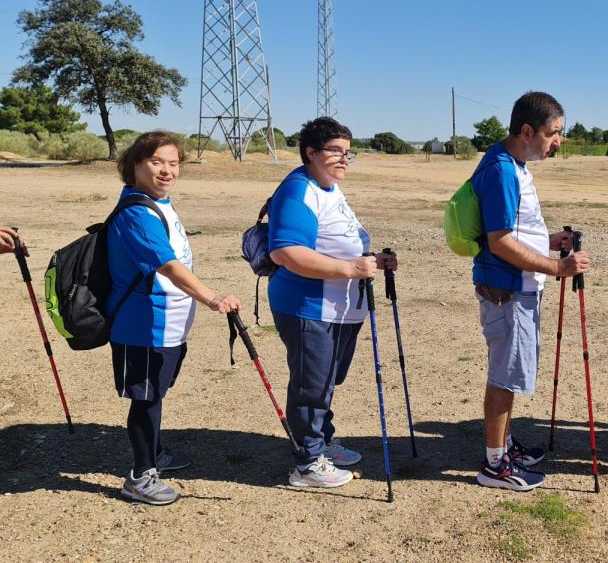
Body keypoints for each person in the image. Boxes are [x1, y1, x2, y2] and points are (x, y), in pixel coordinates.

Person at [107, 131, 241, 506]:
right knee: (146, 399)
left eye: (173, 163)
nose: (167, 170)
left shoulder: (159, 203)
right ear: (134, 165)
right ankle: (140, 476)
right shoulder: (137, 212)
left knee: (155, 393)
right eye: (156, 162)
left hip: (168, 323)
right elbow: (167, 265)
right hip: (144, 324)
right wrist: (212, 298)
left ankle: (156, 453)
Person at [267, 117, 396, 488]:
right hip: (308, 305)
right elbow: (286, 253)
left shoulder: (329, 187)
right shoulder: (297, 191)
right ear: (311, 153)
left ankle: (321, 441)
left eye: (347, 152)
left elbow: (339, 239)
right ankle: (307, 463)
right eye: (335, 151)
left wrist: (371, 260)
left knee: (326, 380)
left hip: (339, 306)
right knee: (312, 383)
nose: (343, 159)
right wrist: (349, 267)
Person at [472, 91, 589, 492]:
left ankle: (502, 446)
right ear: (527, 130)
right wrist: (558, 267)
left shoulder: (515, 165)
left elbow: (517, 232)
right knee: (504, 376)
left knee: (511, 372)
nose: (559, 141)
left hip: (518, 286)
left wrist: (550, 241)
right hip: (507, 289)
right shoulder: (503, 171)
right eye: (554, 133)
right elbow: (501, 241)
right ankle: (494, 464)